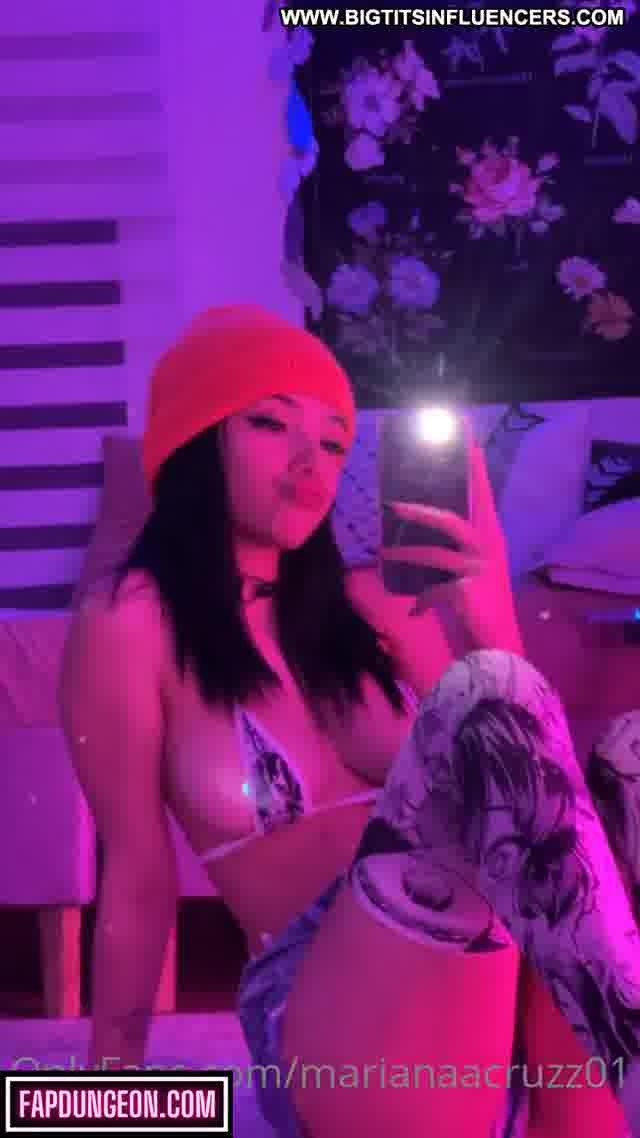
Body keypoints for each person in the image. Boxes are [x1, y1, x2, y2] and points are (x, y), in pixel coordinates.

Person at [59, 304, 640, 1138]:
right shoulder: (131, 624)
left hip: (512, 989)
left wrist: (487, 613)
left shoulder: (377, 608)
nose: (312, 464)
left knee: (624, 753)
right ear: (195, 440)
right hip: (335, 1024)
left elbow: (528, 782)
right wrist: (104, 1098)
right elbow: (138, 873)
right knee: (481, 696)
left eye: (334, 443)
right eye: (270, 424)